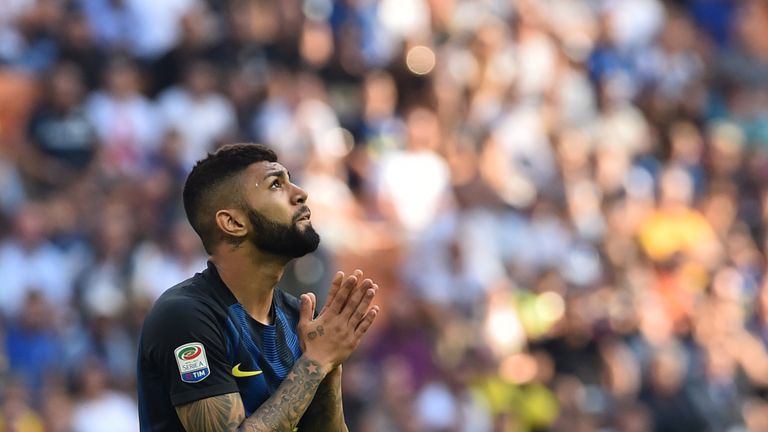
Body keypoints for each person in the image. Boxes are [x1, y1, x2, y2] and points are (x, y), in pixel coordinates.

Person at [137, 143, 380, 431]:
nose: (300, 193)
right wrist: (316, 360)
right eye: (276, 184)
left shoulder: (295, 316)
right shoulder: (186, 316)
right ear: (233, 222)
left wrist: (329, 365)